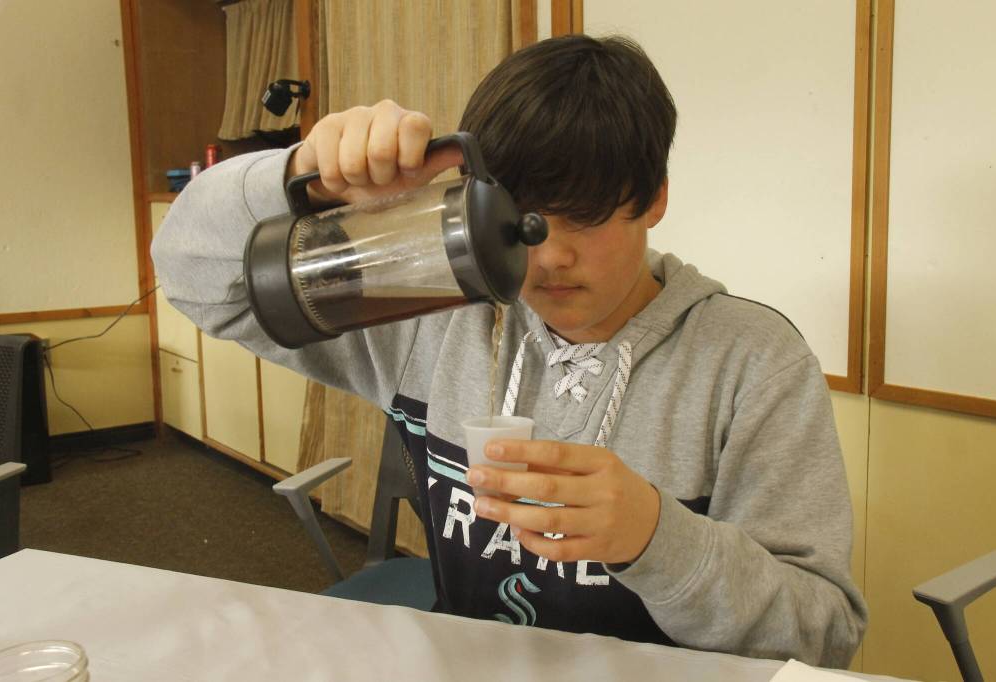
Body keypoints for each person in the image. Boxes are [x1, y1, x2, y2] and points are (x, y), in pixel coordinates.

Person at [151, 34, 867, 666]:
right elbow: (197, 280)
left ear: (654, 199)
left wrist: (656, 537)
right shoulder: (436, 316)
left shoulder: (750, 361)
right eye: (525, 222)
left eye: (585, 219)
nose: (549, 258)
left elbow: (822, 634)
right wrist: (295, 176)